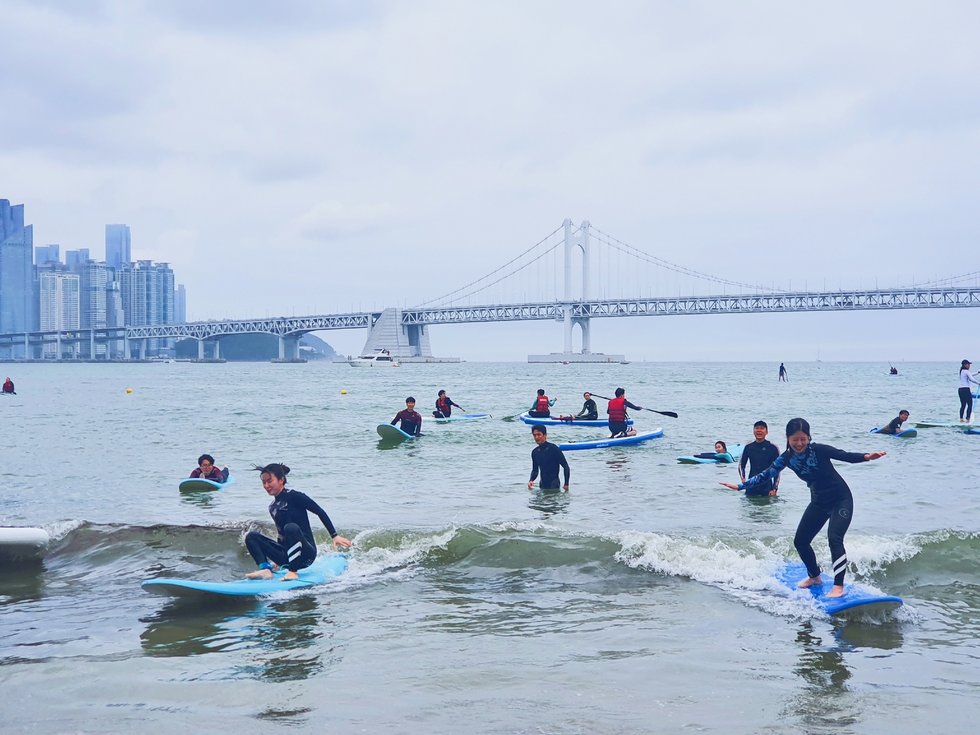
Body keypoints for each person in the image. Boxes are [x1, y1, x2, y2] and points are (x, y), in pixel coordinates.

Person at [721, 418, 886, 598]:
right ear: (788, 438)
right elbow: (766, 474)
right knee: (800, 541)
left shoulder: (819, 450)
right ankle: (815, 577)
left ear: (809, 437)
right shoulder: (786, 458)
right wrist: (741, 486)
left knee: (834, 538)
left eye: (803, 439)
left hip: (841, 499)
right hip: (819, 502)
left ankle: (839, 586)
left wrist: (866, 457)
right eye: (795, 439)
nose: (799, 443)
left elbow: (844, 455)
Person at [245, 463, 352, 581]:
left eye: (269, 481)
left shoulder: (295, 496)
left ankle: (293, 572)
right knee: (251, 536)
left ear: (281, 480)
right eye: (264, 482)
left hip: (306, 555)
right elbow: (281, 535)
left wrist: (334, 536)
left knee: (290, 528)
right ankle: (266, 570)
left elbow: (319, 511)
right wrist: (278, 560)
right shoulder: (272, 507)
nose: (266, 485)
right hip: (287, 557)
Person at [739, 421, 781, 496]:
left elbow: (777, 469)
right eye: (756, 428)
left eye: (762, 428)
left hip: (767, 487)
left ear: (767, 432)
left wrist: (775, 488)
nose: (759, 430)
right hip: (751, 485)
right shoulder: (749, 447)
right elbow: (741, 465)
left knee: (767, 507)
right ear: (753, 431)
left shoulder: (773, 447)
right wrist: (743, 479)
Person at [528, 424, 570, 492]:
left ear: (545, 435)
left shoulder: (553, 449)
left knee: (551, 501)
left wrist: (566, 484)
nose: (536, 437)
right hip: (542, 485)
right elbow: (535, 470)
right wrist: (531, 480)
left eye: (539, 435)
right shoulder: (535, 452)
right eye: (534, 435)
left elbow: (565, 466)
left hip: (554, 486)